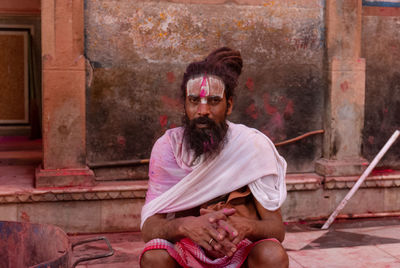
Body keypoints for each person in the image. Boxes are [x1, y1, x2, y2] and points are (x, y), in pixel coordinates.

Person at [140, 47, 289, 267]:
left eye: (213, 101)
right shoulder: (169, 147)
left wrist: (247, 226)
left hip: (238, 245)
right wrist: (186, 226)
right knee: (154, 257)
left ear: (229, 105)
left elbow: (276, 228)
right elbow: (150, 228)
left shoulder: (251, 145)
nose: (202, 111)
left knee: (272, 254)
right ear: (185, 104)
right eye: (194, 101)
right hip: (188, 245)